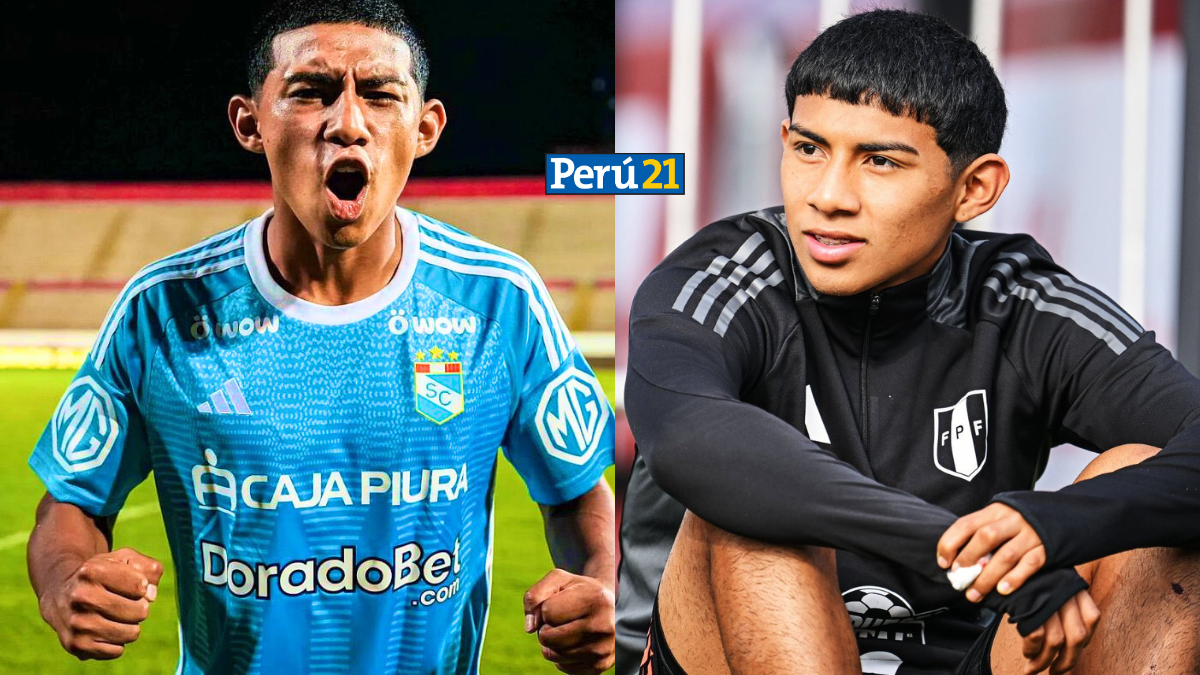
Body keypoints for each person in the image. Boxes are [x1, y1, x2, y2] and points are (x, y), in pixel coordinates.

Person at [25, 1, 616, 673]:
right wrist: (66, 579)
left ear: (425, 129)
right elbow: (71, 500)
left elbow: (576, 490)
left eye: (381, 95)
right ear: (250, 124)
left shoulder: (499, 300)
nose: (348, 123)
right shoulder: (161, 310)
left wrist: (602, 580)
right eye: (311, 92)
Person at [618, 9, 1200, 675]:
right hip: (720, 651)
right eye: (809, 149)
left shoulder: (1022, 302)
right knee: (754, 496)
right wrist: (962, 547)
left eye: (880, 161)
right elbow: (689, 436)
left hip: (972, 657)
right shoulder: (723, 274)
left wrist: (1058, 524)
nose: (828, 196)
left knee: (1145, 485)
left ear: (974, 188)